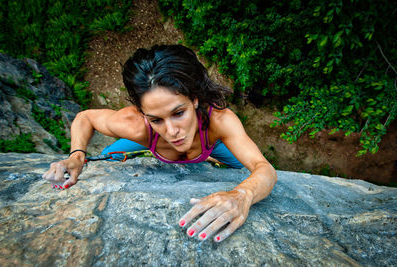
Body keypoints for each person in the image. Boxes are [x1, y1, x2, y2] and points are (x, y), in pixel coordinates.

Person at [43, 44, 277, 242]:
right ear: (144, 114)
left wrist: (242, 195)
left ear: (195, 99)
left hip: (210, 142)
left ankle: (210, 156)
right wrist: (76, 157)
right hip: (147, 142)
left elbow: (264, 168)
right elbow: (86, 118)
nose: (172, 131)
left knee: (239, 165)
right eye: (156, 119)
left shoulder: (219, 121)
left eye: (178, 113)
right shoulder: (136, 125)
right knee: (109, 157)